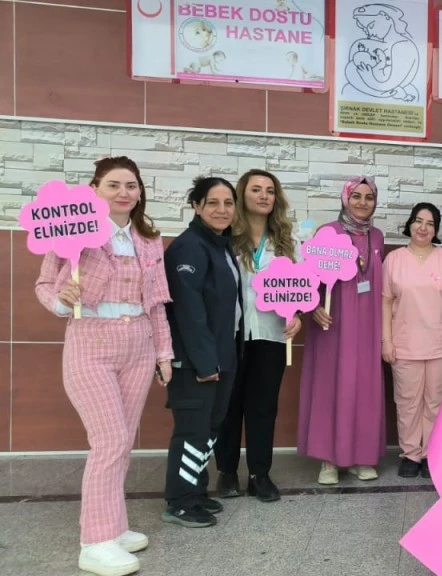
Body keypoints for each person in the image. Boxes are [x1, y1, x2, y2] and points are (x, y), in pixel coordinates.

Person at [34, 157, 172, 576]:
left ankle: (113, 526)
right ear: (94, 189)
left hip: (138, 345)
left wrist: (164, 354)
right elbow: (45, 285)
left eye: (131, 185)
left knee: (123, 441)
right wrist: (62, 299)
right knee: (109, 440)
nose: (123, 193)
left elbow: (157, 305)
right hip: (90, 341)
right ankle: (94, 543)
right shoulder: (72, 233)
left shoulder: (149, 240)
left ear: (140, 192)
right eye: (114, 185)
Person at [214, 169, 300, 504]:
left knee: (263, 407)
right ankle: (226, 471)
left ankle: (259, 475)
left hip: (271, 335)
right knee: (228, 405)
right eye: (256, 189)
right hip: (230, 334)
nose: (263, 196)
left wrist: (297, 316)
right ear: (242, 195)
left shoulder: (287, 243)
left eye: (269, 191)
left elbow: (299, 288)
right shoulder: (224, 237)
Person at [162, 176, 243, 528]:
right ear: (196, 206)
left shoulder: (220, 244)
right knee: (192, 430)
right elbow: (188, 312)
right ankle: (179, 502)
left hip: (221, 356)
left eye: (228, 203)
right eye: (213, 202)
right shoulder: (189, 247)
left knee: (209, 429)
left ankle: (195, 492)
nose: (222, 210)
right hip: (196, 361)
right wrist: (205, 362)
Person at [299, 176, 386, 484]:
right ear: (345, 199)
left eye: (369, 197)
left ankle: (362, 457)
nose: (362, 202)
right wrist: (313, 307)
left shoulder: (377, 237)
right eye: (356, 196)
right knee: (332, 384)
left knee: (364, 386)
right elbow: (307, 277)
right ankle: (329, 460)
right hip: (333, 323)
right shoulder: (328, 232)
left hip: (368, 323)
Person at [382, 203, 442, 479]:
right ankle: (410, 454)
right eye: (418, 221)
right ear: (409, 224)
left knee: (436, 401)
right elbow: (385, 302)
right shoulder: (394, 260)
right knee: (407, 401)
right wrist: (386, 340)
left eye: (430, 224)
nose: (423, 227)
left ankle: (432, 453)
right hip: (405, 344)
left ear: (436, 230)